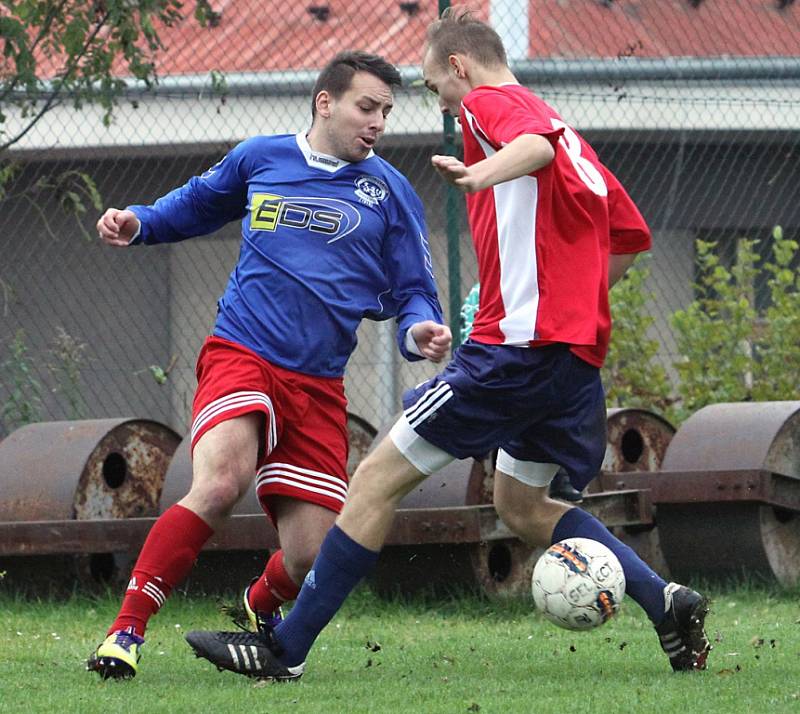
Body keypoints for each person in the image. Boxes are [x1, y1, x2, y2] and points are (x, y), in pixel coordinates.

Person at [185, 10, 711, 680]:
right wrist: (564, 300)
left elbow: (534, 146)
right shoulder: (576, 137)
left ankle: (284, 651)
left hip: (512, 354)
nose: (444, 105)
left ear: (458, 67)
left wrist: (477, 176)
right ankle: (666, 602)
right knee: (522, 507)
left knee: (374, 480)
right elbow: (629, 239)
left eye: (437, 90)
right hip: (570, 360)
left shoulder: (492, 104)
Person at [86, 50, 452, 680]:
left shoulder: (390, 192)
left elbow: (416, 290)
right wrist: (139, 221)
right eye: (367, 107)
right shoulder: (263, 156)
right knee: (221, 482)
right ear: (325, 102)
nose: (378, 123)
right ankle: (126, 632)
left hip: (318, 383)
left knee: (311, 556)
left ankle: (258, 604)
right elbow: (197, 203)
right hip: (242, 351)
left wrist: (420, 330)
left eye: (387, 112)